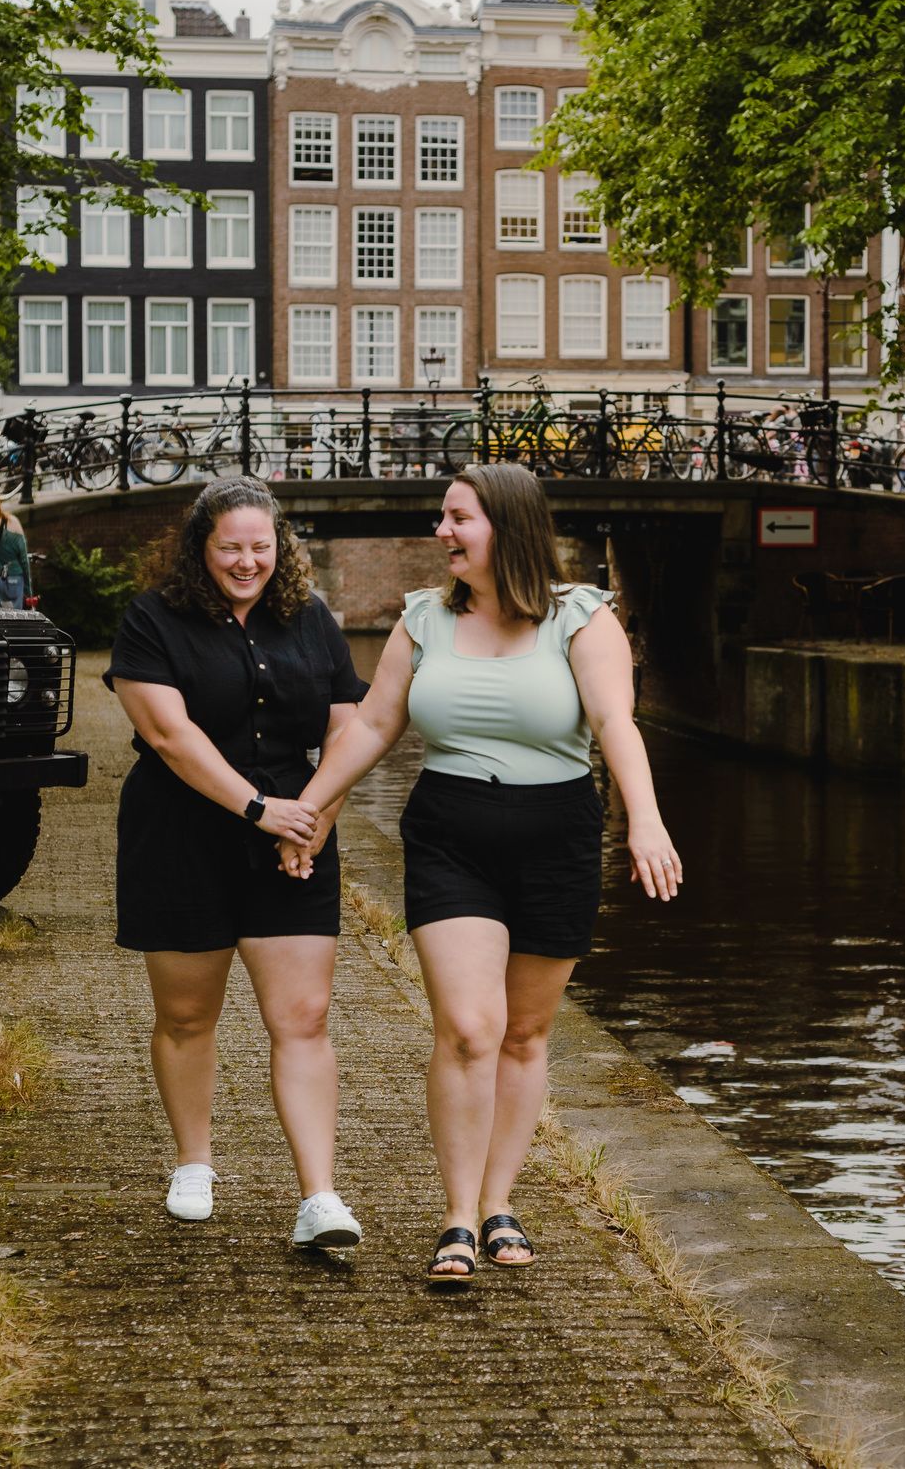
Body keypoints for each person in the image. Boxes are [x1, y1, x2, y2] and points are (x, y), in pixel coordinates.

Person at [288, 462, 682, 1285]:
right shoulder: (424, 619)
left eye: (457, 518)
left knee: (527, 1033)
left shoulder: (582, 619)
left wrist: (644, 819)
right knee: (470, 1026)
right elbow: (372, 724)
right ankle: (458, 1217)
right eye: (442, 517)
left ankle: (502, 1202)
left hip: (559, 837)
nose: (442, 532)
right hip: (451, 834)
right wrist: (312, 808)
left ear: (506, 525)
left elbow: (615, 722)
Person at [104, 477, 370, 1246]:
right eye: (230, 548)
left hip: (295, 836)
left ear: (280, 546)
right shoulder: (153, 618)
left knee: (304, 1017)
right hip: (181, 835)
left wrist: (312, 820)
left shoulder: (311, 618)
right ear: (201, 548)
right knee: (187, 1014)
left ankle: (319, 1197)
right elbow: (168, 737)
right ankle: (194, 1161)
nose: (247, 561)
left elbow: (347, 729)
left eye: (261, 546)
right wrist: (261, 810)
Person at [0, 485, 31, 609]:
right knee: (16, 620)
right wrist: (28, 591)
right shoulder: (12, 522)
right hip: (16, 581)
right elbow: (24, 561)